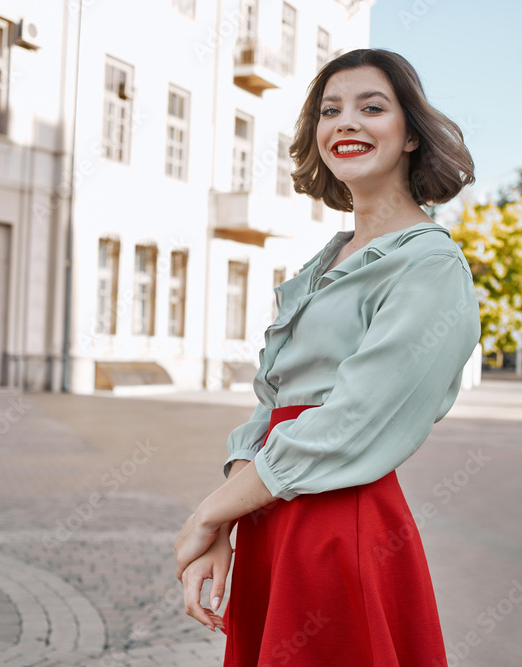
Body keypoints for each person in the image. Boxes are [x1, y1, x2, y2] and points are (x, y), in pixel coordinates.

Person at [172, 48, 479, 666]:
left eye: (372, 107)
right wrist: (228, 523)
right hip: (270, 515)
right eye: (330, 110)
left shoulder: (430, 266)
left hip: (338, 525)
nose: (347, 122)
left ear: (411, 134)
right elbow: (272, 405)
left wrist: (208, 514)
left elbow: (353, 421)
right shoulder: (324, 263)